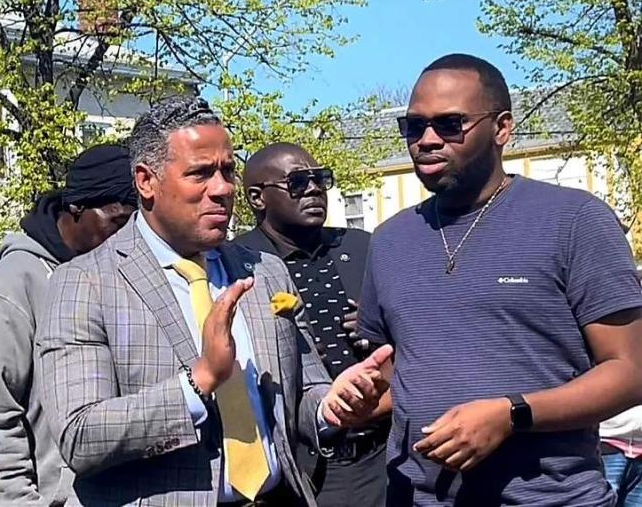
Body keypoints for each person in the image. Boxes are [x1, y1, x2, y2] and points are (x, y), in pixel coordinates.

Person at [36, 96, 392, 505]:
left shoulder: (265, 270)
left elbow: (302, 387)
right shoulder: (84, 284)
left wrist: (332, 404)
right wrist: (199, 381)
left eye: (227, 171)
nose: (222, 189)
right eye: (201, 173)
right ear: (146, 182)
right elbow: (80, 436)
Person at [357, 53, 642, 505]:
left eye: (451, 124)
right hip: (415, 497)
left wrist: (512, 414)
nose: (427, 140)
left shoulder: (573, 220)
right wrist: (359, 399)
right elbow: (398, 376)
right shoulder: (390, 241)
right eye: (413, 126)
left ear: (502, 129)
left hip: (552, 498)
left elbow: (630, 371)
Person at [0, 143, 137, 506]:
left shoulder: (125, 274)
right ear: (76, 207)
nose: (127, 237)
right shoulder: (16, 282)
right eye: (118, 222)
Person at [233, 142, 387, 507]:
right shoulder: (240, 264)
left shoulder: (365, 247)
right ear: (258, 198)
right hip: (303, 464)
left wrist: (380, 325)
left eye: (321, 179)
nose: (315, 189)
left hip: (380, 453)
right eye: (299, 182)